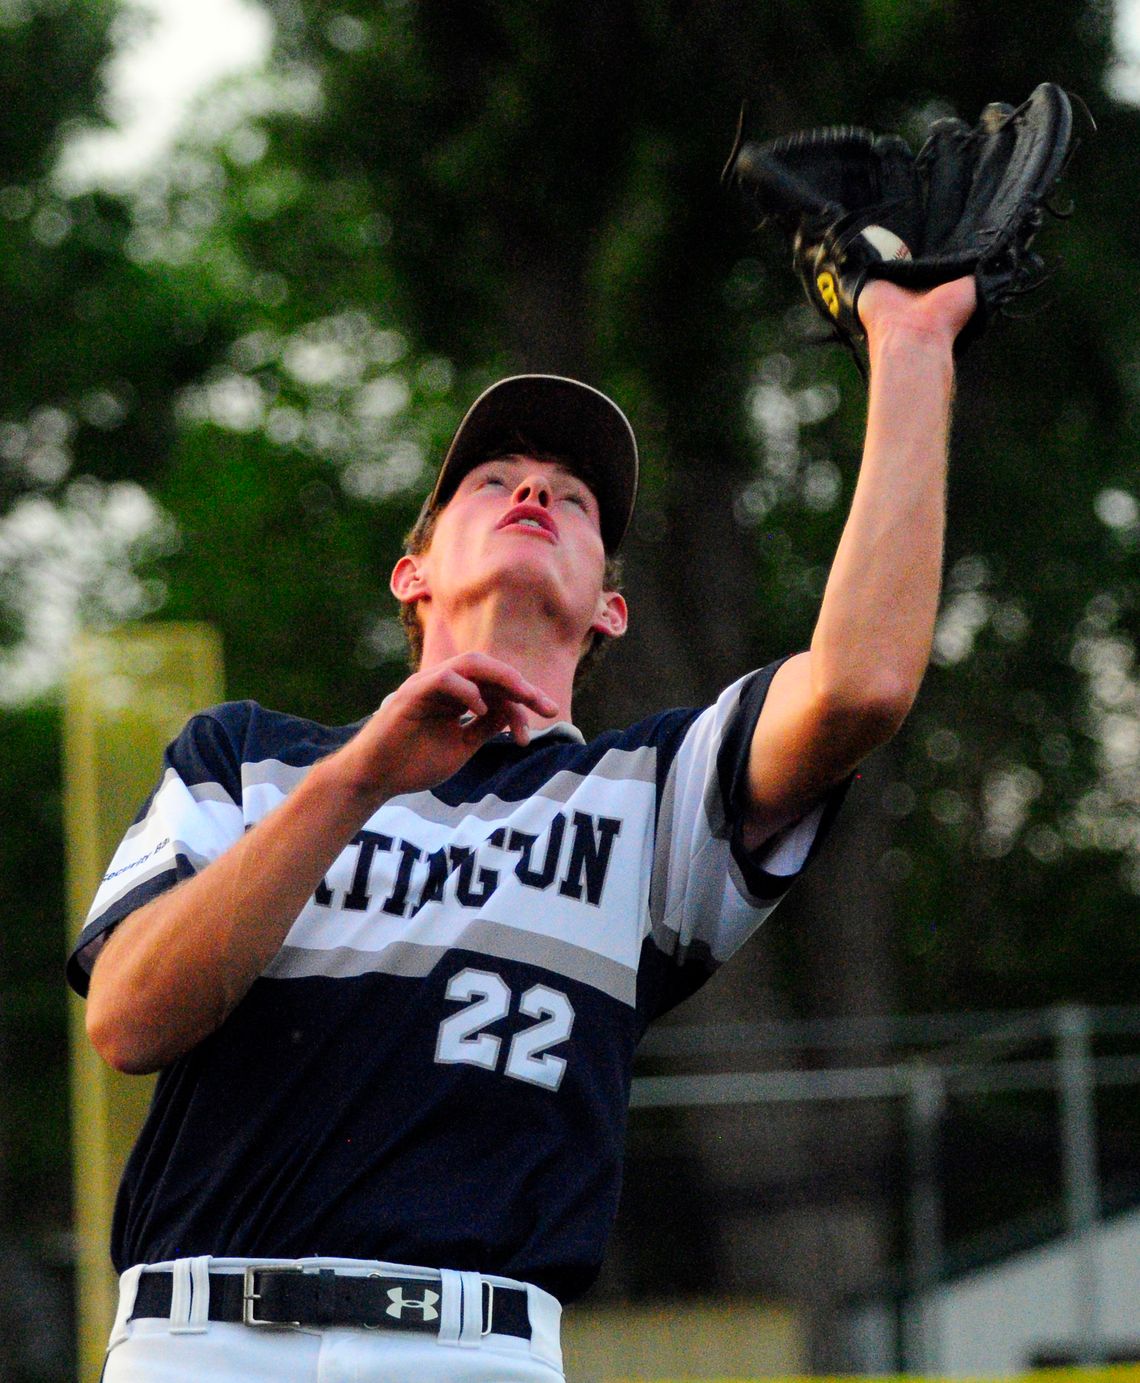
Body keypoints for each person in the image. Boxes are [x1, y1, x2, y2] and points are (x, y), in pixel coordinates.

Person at [68, 274, 977, 1382]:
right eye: (493, 480)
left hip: (473, 1349)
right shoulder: (248, 759)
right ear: (413, 575)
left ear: (610, 607)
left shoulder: (648, 793)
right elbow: (127, 1020)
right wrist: (362, 777)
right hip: (200, 1340)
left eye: (575, 499)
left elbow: (863, 688)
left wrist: (913, 342)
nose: (536, 491)